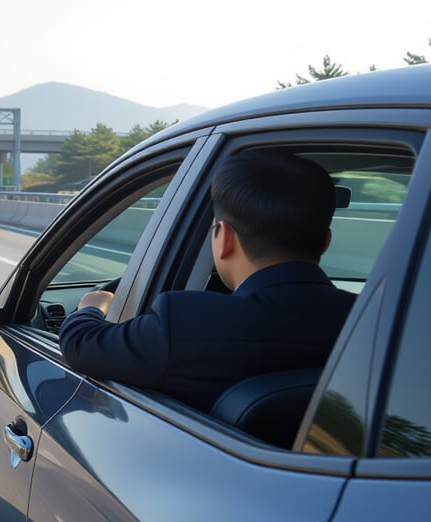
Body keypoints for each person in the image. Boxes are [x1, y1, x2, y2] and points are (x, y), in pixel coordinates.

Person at [59, 150, 357, 414]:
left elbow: (81, 344)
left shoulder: (187, 323)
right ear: (325, 242)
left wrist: (90, 309)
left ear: (223, 237)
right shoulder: (370, 322)